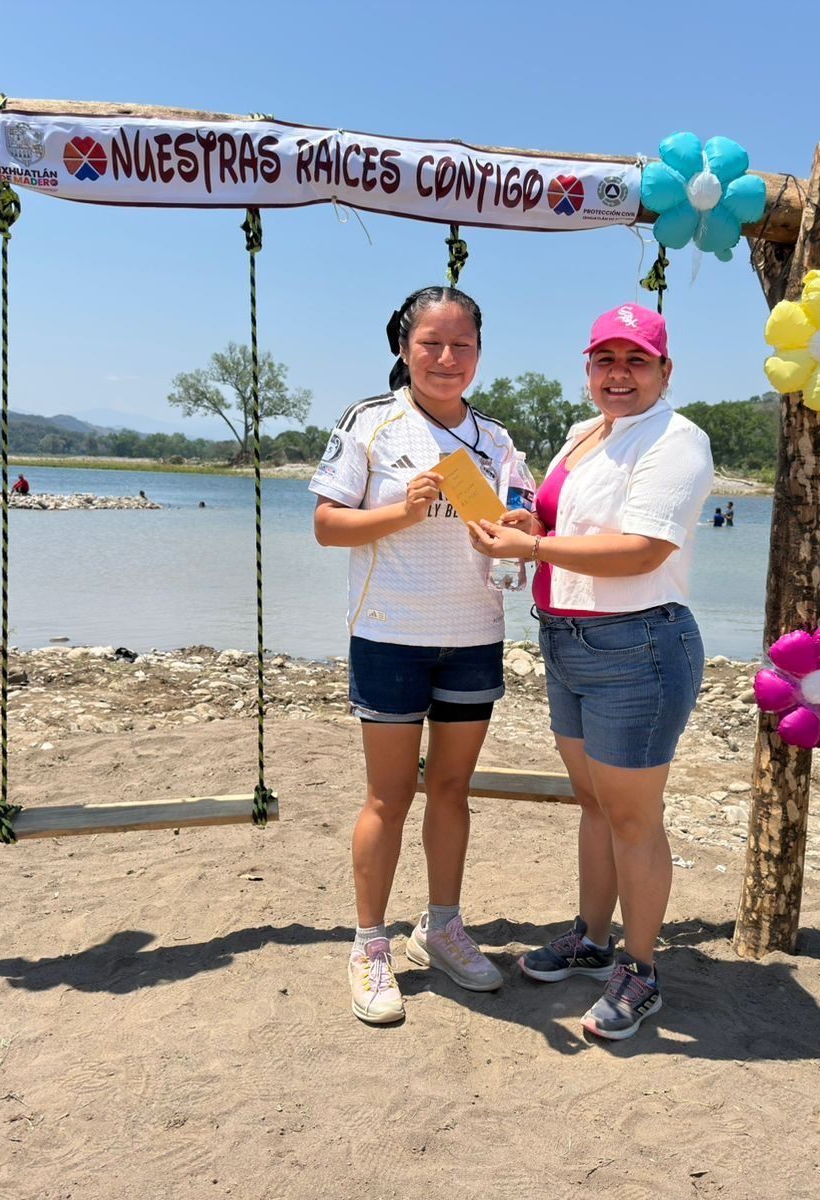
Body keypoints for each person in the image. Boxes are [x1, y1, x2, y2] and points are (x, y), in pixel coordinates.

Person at [468, 302, 714, 1041]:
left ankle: (641, 970)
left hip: (638, 645)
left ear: (665, 371)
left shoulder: (677, 440)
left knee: (634, 817)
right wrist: (531, 527)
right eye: (605, 359)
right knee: (594, 804)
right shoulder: (585, 433)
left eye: (636, 360)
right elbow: (564, 525)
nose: (619, 374)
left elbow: (643, 549)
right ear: (588, 369)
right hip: (567, 638)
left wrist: (532, 551)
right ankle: (592, 937)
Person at [311, 285, 531, 1026]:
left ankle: (441, 928)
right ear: (403, 348)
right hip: (389, 635)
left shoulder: (496, 439)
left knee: (452, 790)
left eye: (461, 344)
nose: (445, 357)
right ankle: (369, 945)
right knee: (388, 797)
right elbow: (326, 526)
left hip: (474, 635)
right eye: (430, 343)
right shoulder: (370, 422)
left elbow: (522, 516)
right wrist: (402, 510)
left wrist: (519, 529)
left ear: (479, 353)